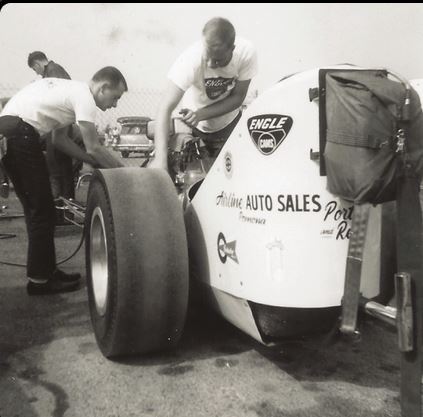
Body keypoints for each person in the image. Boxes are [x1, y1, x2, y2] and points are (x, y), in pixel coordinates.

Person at [0, 66, 127, 295]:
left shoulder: (70, 92)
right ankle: (40, 282)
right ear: (103, 87)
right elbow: (94, 146)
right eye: (115, 97)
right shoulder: (85, 97)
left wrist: (93, 160)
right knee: (42, 210)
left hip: (10, 130)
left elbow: (60, 141)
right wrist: (124, 171)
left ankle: (46, 272)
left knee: (37, 209)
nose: (115, 104)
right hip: (20, 134)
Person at [150, 17, 258, 171]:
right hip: (195, 130)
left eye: (218, 60)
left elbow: (238, 97)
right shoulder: (190, 59)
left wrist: (200, 114)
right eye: (207, 56)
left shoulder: (246, 52)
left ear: (232, 49)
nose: (210, 64)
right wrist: (160, 161)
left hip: (228, 124)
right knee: (192, 180)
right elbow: (165, 108)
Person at [28, 51, 77, 219]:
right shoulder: (55, 70)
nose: (37, 73)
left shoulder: (54, 71)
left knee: (58, 170)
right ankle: (63, 213)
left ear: (37, 65)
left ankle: (62, 214)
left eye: (35, 70)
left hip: (57, 125)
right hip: (59, 124)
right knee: (61, 169)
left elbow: (57, 99)